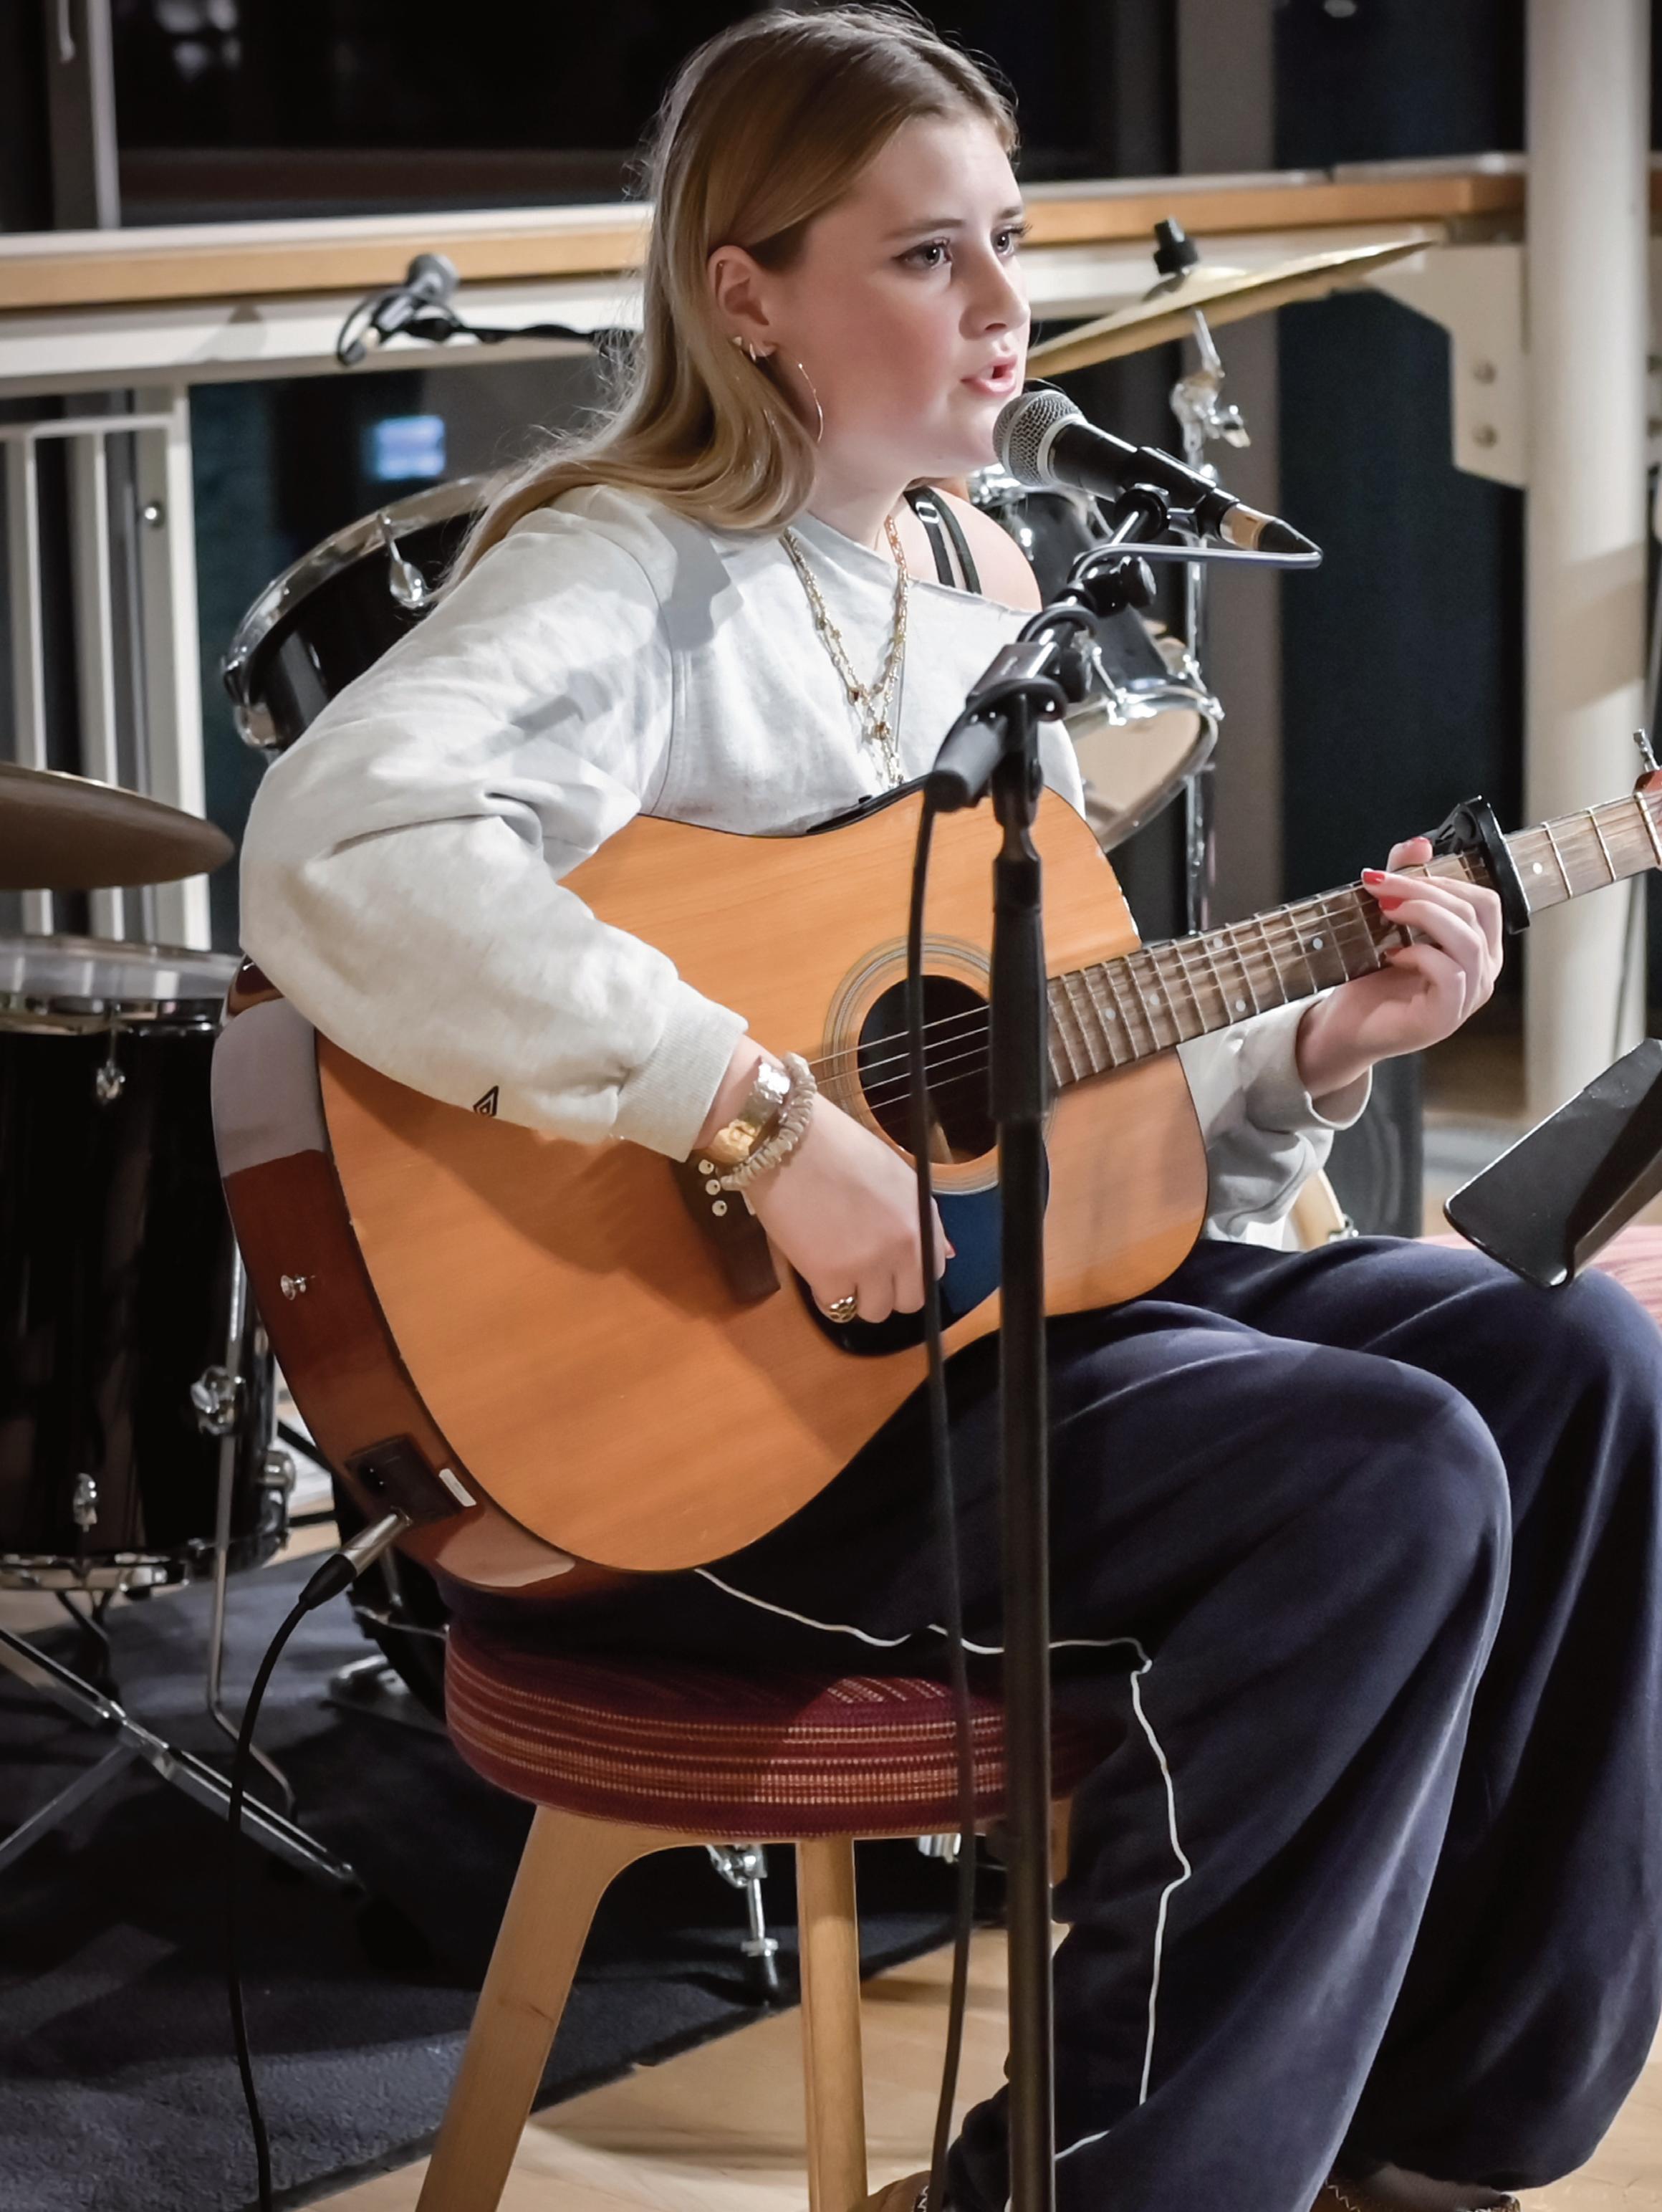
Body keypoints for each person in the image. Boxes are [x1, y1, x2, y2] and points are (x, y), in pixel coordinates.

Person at [238, 10, 1662, 2211]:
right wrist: (754, 1120)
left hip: (1003, 1334)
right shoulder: (626, 570)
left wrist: (1314, 1056)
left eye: (1007, 235)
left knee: (1583, 1370)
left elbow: (1063, 1108)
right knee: (1385, 1474)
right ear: (748, 295)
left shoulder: (982, 580)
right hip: (724, 1444)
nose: (1006, 303)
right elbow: (340, 846)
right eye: (926, 256)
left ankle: (1432, 2144)